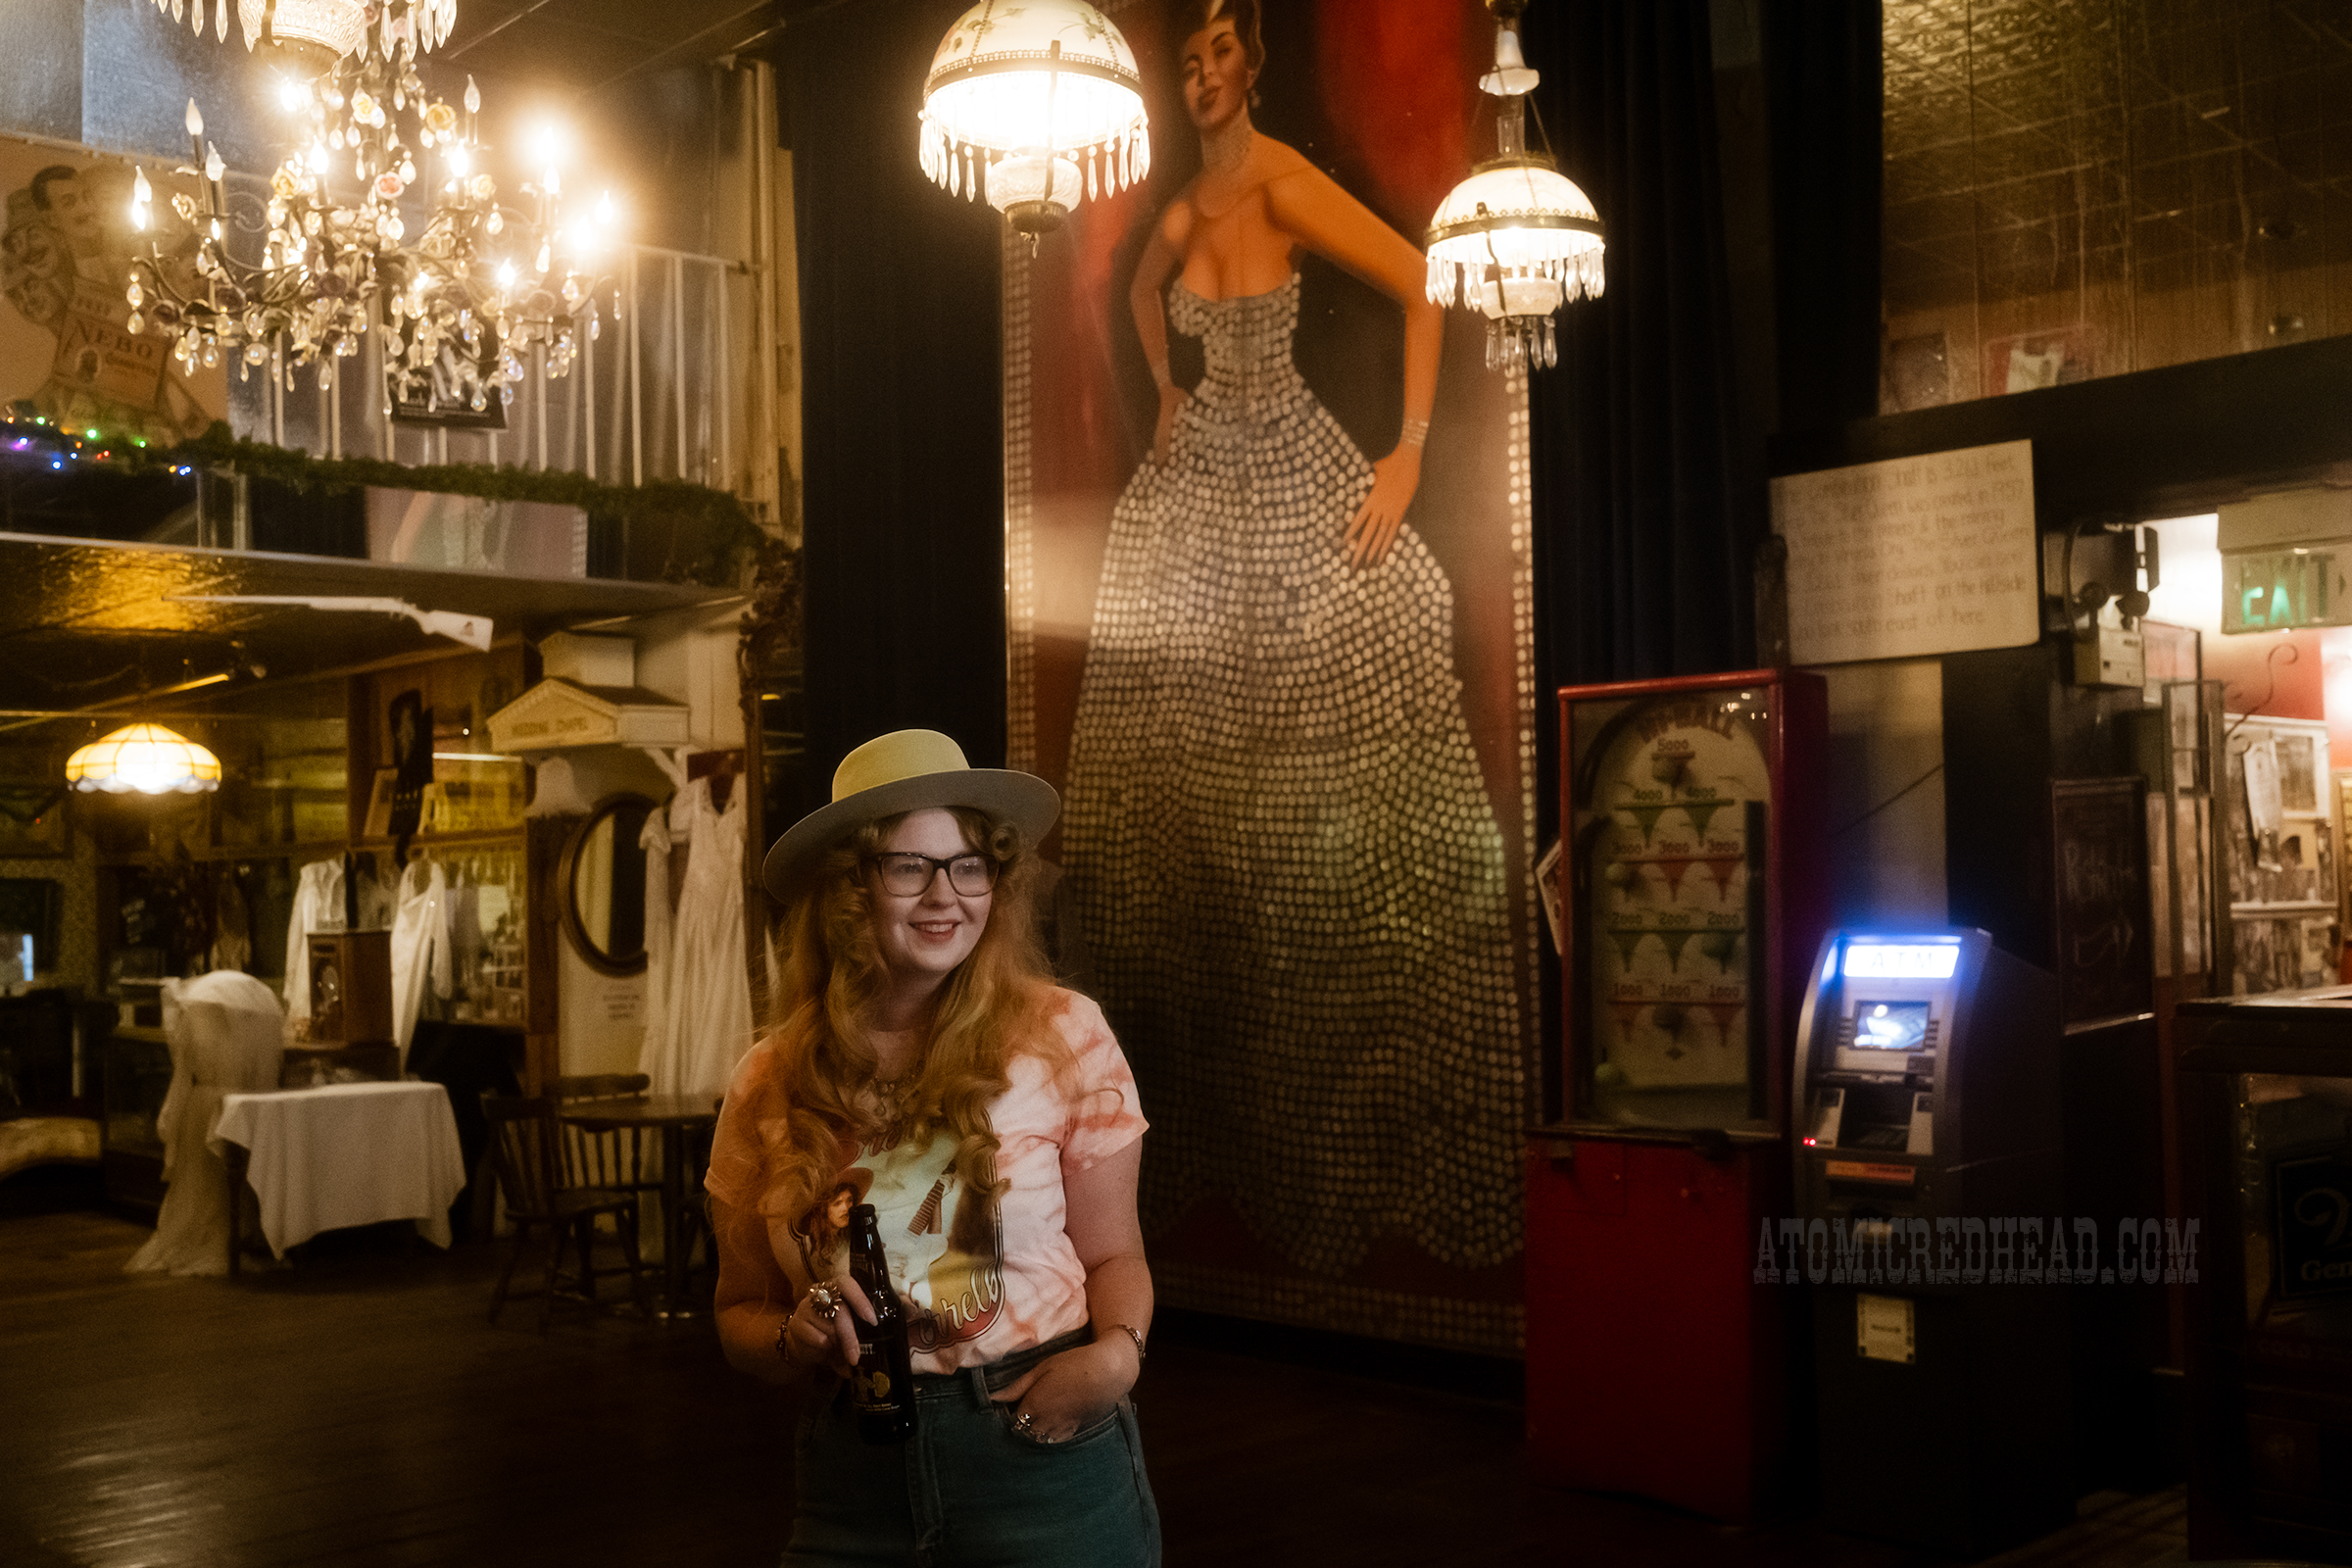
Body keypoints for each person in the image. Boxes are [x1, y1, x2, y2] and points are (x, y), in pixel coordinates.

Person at [1058, 0, 1523, 1281]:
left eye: (1221, 55)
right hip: (1198, 472)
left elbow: (1423, 283)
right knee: (1155, 747)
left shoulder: (1280, 182)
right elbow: (1139, 295)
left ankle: (1367, 1098)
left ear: (1253, 67)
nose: (1203, 76)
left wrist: (1408, 455)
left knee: (1394, 617)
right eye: (1189, 60)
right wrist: (1165, 385)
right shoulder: (1177, 214)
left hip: (1294, 459)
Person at [709, 729, 1159, 1567]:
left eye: (968, 865)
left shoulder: (1063, 1034)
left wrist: (1114, 1362)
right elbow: (738, 1310)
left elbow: (1115, 1255)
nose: (945, 895)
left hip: (1041, 1453)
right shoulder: (768, 1078)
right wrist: (789, 1340)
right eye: (909, 867)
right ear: (848, 889)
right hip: (853, 1474)